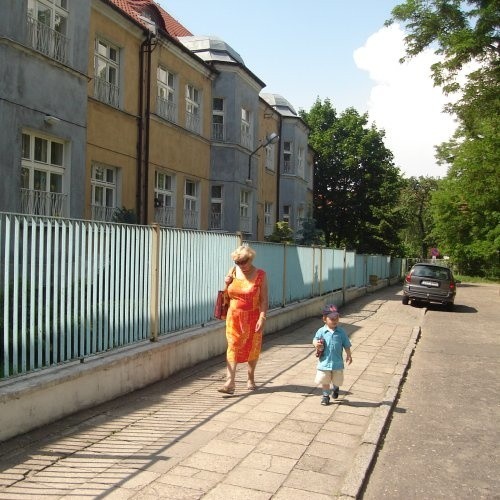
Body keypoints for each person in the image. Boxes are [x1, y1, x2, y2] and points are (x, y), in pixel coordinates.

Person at [217, 245, 268, 394]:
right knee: (233, 345)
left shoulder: (260, 275)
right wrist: (226, 283)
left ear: (250, 259)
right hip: (234, 317)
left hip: (253, 316)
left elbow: (264, 299)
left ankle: (250, 378)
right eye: (238, 262)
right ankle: (230, 382)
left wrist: (262, 317)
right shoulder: (232, 272)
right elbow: (226, 295)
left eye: (244, 262)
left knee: (252, 347)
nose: (241, 265)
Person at [312, 304, 352, 405]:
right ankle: (325, 396)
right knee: (325, 380)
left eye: (336, 318)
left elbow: (346, 344)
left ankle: (336, 387)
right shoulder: (321, 331)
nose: (335, 320)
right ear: (324, 319)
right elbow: (314, 340)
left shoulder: (341, 332)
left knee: (337, 380)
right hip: (324, 362)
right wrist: (316, 344)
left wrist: (349, 355)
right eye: (332, 318)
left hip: (337, 362)